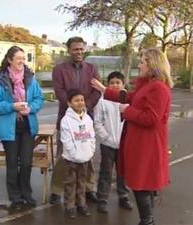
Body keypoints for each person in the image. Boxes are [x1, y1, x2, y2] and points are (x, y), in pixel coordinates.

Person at [91, 48, 173, 225]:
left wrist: (127, 111)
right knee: (144, 183)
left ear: (152, 64)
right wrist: (106, 90)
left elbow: (151, 118)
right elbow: (130, 96)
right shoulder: (149, 85)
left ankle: (147, 220)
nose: (140, 64)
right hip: (142, 142)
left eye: (143, 61)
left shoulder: (158, 88)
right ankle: (148, 219)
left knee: (141, 184)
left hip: (147, 143)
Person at [0, 46, 44, 209]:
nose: (21, 61)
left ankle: (26, 193)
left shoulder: (31, 79)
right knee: (12, 163)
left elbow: (39, 98)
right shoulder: (0, 81)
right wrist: (12, 106)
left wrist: (31, 108)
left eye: (23, 58)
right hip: (9, 128)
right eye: (18, 58)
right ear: (10, 60)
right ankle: (14, 196)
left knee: (26, 163)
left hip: (27, 127)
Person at [50, 36, 101, 204]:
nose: (79, 52)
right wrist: (74, 106)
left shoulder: (92, 69)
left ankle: (88, 188)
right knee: (63, 156)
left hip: (87, 117)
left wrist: (85, 106)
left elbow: (97, 91)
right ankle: (57, 191)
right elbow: (60, 91)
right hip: (66, 117)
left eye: (81, 49)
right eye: (75, 49)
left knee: (88, 156)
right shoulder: (59, 69)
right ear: (69, 50)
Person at [93, 71, 133, 213]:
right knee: (106, 172)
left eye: (118, 83)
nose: (115, 85)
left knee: (123, 172)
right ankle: (102, 199)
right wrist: (105, 138)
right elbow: (97, 122)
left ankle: (123, 196)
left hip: (124, 145)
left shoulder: (129, 100)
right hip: (108, 145)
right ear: (107, 84)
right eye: (112, 83)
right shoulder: (102, 102)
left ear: (123, 84)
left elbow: (132, 121)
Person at [60, 89, 96, 219]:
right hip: (71, 159)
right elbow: (66, 140)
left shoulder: (88, 119)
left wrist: (90, 151)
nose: (80, 103)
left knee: (82, 182)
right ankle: (70, 206)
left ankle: (81, 203)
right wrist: (75, 155)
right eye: (76, 100)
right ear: (70, 103)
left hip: (85, 158)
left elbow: (92, 136)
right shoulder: (66, 120)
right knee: (70, 183)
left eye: (82, 100)